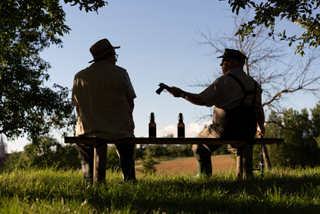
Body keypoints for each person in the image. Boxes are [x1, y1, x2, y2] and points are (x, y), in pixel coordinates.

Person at [168, 49, 265, 178]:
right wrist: (260, 127)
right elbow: (258, 109)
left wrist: (181, 94)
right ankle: (245, 176)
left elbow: (201, 99)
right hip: (248, 130)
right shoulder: (255, 84)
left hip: (225, 130)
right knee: (241, 145)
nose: (221, 65)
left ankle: (204, 177)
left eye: (224, 61)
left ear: (233, 63)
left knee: (198, 145)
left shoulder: (223, 81)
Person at [72, 38, 137, 183]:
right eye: (114, 56)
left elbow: (78, 108)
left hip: (88, 130)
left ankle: (89, 182)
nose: (115, 59)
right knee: (126, 147)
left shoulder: (79, 77)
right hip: (119, 129)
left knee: (84, 144)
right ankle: (130, 180)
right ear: (108, 55)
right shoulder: (121, 73)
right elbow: (130, 103)